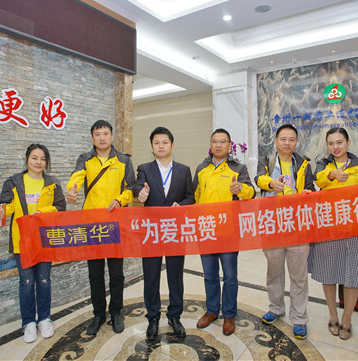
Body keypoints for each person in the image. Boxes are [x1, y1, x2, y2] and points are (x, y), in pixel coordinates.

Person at [0, 144, 66, 343]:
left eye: (42, 159)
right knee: (26, 282)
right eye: (34, 158)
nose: (38, 162)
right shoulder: (14, 182)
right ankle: (29, 322)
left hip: (45, 241)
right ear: (26, 160)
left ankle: (45, 319)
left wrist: (43, 212)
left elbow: (60, 208)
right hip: (22, 242)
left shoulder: (52, 183)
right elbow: (5, 207)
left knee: (44, 280)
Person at [65, 120, 135, 336]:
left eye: (105, 133)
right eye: (98, 134)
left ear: (112, 136)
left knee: (116, 273)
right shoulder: (85, 159)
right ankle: (98, 314)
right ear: (92, 138)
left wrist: (120, 199)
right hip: (92, 224)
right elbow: (76, 178)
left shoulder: (123, 160)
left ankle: (116, 312)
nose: (102, 138)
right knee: (95, 273)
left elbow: (131, 188)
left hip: (115, 224)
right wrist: (72, 190)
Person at [308, 127, 358, 340]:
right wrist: (333, 174)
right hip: (329, 226)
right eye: (331, 143)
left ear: (348, 142)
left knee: (352, 274)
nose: (335, 147)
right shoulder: (323, 164)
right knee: (328, 272)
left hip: (353, 228)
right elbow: (319, 180)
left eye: (339, 142)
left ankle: (347, 318)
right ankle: (332, 316)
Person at [134, 127, 195, 340]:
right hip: (151, 231)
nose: (161, 146)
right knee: (151, 275)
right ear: (152, 146)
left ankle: (174, 316)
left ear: (172, 145)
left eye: (165, 142)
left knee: (175, 275)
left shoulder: (184, 170)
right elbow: (137, 187)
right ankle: (152, 318)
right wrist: (141, 193)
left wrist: (181, 205)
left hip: (174, 230)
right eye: (156, 143)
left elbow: (190, 197)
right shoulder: (144, 169)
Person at [193, 128, 255, 336]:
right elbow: (194, 197)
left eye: (223, 141)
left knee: (230, 276)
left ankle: (229, 314)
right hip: (206, 230)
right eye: (215, 141)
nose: (218, 145)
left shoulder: (238, 168)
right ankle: (212, 311)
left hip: (229, 231)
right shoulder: (201, 168)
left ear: (229, 145)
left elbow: (251, 193)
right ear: (210, 144)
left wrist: (241, 189)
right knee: (209, 275)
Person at [254, 124, 314, 340]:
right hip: (272, 225)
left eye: (291, 139)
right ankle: (276, 308)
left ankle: (299, 318)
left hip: (297, 226)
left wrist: (307, 193)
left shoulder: (304, 164)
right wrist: (271, 183)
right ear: (276, 141)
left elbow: (311, 189)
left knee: (298, 276)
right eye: (283, 139)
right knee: (274, 271)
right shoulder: (266, 161)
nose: (287, 143)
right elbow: (258, 179)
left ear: (296, 142)